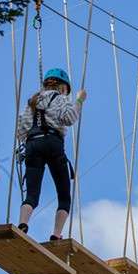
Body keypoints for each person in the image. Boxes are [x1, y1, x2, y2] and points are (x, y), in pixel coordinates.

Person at [16, 68, 87, 241]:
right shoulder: (61, 99)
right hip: (53, 143)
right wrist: (79, 100)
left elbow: (20, 131)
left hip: (33, 144)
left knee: (32, 194)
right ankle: (56, 234)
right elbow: (69, 118)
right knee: (64, 196)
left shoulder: (31, 103)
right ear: (63, 87)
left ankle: (23, 223)